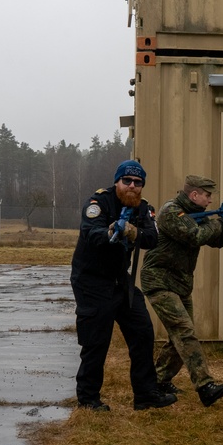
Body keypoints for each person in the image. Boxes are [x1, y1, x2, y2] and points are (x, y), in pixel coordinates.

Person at [70, 160, 177, 411]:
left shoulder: (142, 208)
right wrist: (111, 233)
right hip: (91, 282)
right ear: (116, 182)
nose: (132, 186)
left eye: (137, 183)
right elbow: (91, 232)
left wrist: (132, 232)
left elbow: (152, 237)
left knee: (142, 333)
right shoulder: (98, 203)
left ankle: (146, 395)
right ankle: (88, 399)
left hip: (121, 282)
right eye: (126, 181)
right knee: (96, 342)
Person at [140, 175, 223, 406]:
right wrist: (222, 222)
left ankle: (158, 381)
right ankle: (205, 386)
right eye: (207, 195)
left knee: (181, 336)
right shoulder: (172, 212)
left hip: (180, 283)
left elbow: (215, 241)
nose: (211, 200)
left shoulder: (196, 214)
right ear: (194, 195)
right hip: (159, 281)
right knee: (185, 332)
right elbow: (196, 236)